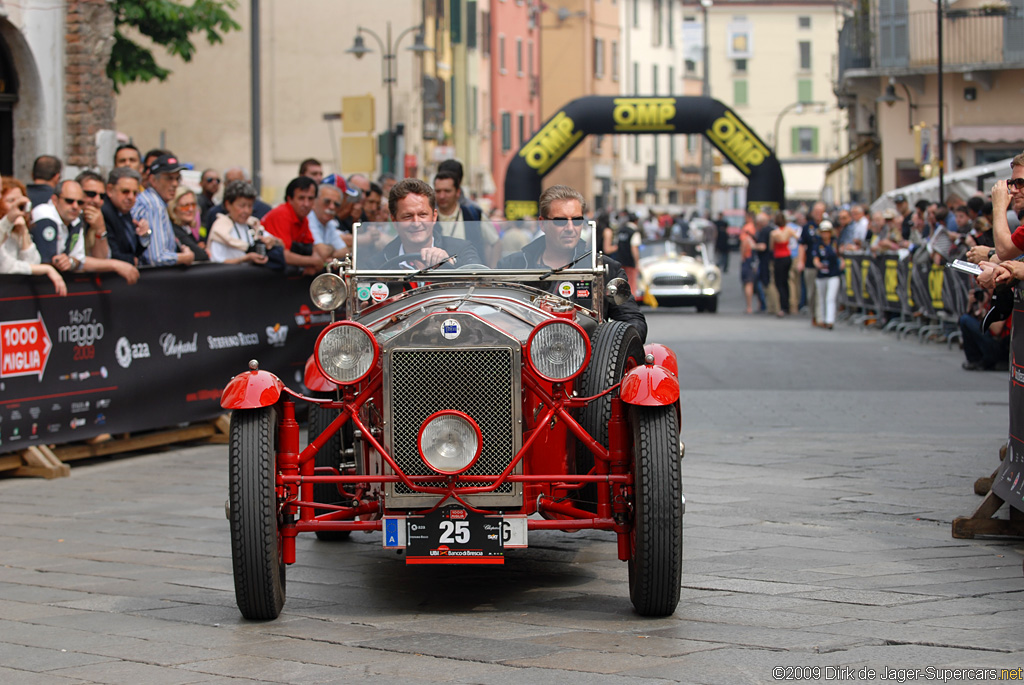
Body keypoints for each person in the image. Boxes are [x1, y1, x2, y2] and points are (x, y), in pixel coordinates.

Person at [497, 184, 647, 342]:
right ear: (542, 224)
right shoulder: (512, 266)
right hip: (526, 360)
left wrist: (606, 342)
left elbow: (634, 322)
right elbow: (493, 316)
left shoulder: (604, 268)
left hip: (588, 362)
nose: (570, 228)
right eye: (561, 221)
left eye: (576, 221)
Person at [31, 179, 140, 283]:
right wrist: (115, 265)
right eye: (69, 201)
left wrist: (100, 229)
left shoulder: (76, 220)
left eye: (79, 202)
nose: (75, 206)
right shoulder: (45, 215)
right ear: (55, 200)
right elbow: (49, 261)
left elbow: (79, 259)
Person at [369, 178, 479, 269]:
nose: (416, 223)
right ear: (394, 221)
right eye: (408, 216)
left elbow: (479, 285)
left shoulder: (461, 250)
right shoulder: (379, 263)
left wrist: (451, 263)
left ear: (434, 216)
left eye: (423, 215)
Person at [0, 178, 66, 295]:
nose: (17, 206)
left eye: (20, 202)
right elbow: (5, 266)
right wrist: (46, 269)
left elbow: (32, 262)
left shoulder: (16, 229)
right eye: (11, 201)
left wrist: (23, 232)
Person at [131, 154, 195, 267]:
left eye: (177, 178)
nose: (175, 184)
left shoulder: (154, 201)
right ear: (153, 180)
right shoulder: (154, 205)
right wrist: (185, 257)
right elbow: (157, 257)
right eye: (169, 178)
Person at [261, 176, 332, 276]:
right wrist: (314, 261)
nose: (306, 204)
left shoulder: (303, 218)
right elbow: (284, 255)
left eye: (310, 198)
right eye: (301, 198)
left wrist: (317, 262)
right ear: (290, 199)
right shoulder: (282, 214)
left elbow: (312, 248)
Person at [433, 168, 499, 266]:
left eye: (447, 191)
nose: (442, 196)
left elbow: (495, 242)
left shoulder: (473, 214)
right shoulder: (428, 217)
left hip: (470, 275)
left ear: (458, 192)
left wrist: (491, 271)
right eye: (438, 191)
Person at [207, 180, 282, 265]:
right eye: (242, 206)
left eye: (250, 206)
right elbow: (216, 261)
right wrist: (245, 259)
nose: (246, 211)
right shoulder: (220, 228)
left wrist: (272, 241)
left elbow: (280, 242)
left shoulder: (253, 224)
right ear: (228, 205)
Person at [102, 167, 149, 266]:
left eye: (135, 193)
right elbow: (111, 254)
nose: (131, 197)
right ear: (110, 190)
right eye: (125, 192)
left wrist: (144, 234)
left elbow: (134, 250)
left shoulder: (125, 212)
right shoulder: (105, 212)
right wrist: (133, 261)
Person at [201, 167, 272, 232]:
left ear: (248, 183)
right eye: (229, 182)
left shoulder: (264, 211)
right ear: (228, 205)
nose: (246, 211)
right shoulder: (215, 214)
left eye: (238, 182)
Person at [306, 182, 350, 260]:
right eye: (327, 202)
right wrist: (333, 249)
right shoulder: (309, 219)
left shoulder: (329, 223)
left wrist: (329, 253)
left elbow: (345, 252)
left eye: (336, 204)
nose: (332, 207)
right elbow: (322, 252)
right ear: (314, 202)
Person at [812, 220, 842, 329]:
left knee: (830, 297)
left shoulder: (835, 243)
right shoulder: (818, 244)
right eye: (823, 232)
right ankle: (822, 319)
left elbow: (839, 255)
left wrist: (841, 262)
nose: (825, 234)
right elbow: (815, 258)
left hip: (833, 273)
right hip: (822, 274)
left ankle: (830, 320)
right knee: (822, 297)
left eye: (827, 231)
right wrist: (818, 264)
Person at [75, 170, 111, 259]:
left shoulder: (100, 219)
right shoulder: (70, 217)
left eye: (102, 196)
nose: (97, 201)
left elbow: (101, 259)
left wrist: (100, 229)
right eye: (91, 194)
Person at [167, 187, 209, 262]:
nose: (190, 209)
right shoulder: (174, 230)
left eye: (193, 205)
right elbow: (201, 255)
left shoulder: (186, 228)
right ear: (174, 208)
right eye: (185, 206)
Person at [603, 217, 641, 296]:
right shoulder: (634, 232)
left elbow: (617, 244)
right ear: (636, 221)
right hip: (630, 262)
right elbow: (634, 248)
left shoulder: (621, 231)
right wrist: (637, 262)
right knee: (631, 284)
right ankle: (631, 302)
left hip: (620, 261)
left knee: (622, 282)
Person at [770, 212, 798, 317]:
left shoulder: (774, 233)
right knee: (787, 281)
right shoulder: (789, 230)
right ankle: (789, 305)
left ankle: (783, 306)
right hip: (788, 256)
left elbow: (771, 247)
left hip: (779, 257)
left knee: (779, 283)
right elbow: (797, 238)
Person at [739, 212, 759, 314]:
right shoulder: (756, 228)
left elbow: (745, 242)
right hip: (755, 257)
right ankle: (760, 305)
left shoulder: (747, 228)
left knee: (748, 282)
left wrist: (742, 257)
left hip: (748, 257)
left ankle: (749, 306)